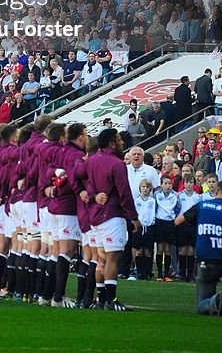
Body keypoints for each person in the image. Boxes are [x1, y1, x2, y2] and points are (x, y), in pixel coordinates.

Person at [174, 178, 222, 316]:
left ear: (217, 190)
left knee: (202, 304)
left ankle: (214, 302)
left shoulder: (202, 206)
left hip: (206, 260)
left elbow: (178, 221)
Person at [87, 128, 139, 310]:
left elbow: (87, 184)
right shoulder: (117, 164)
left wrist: (93, 196)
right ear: (111, 143)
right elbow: (124, 192)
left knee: (101, 259)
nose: (122, 142)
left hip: (95, 215)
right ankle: (112, 300)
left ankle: (101, 299)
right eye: (118, 139)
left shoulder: (92, 160)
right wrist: (134, 217)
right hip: (111, 215)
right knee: (113, 258)